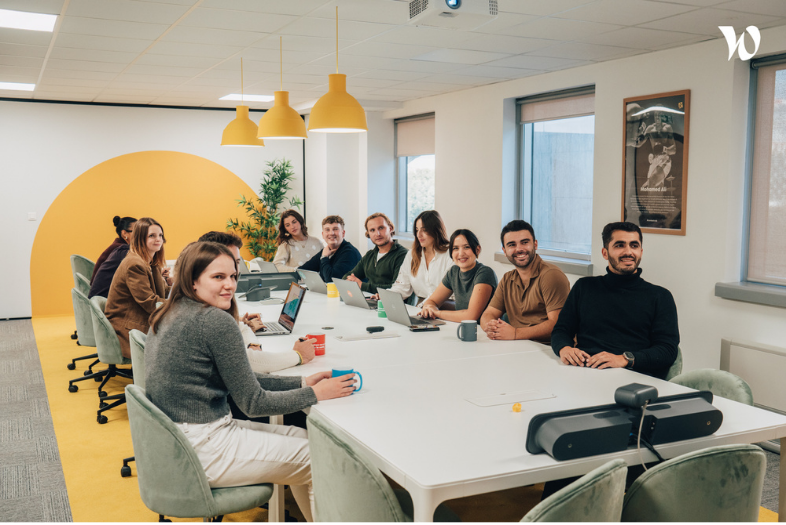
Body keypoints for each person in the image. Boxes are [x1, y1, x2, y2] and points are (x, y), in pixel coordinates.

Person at [144, 241, 356, 522]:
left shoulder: (171, 312)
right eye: (218, 277)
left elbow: (243, 379)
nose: (229, 285)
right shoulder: (214, 322)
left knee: (305, 440)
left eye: (233, 276)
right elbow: (253, 402)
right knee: (322, 460)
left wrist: (303, 382)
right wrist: (316, 394)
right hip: (203, 445)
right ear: (192, 281)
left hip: (178, 440)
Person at [551, 221, 679, 379]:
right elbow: (561, 330)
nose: (628, 252)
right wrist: (564, 348)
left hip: (633, 378)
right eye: (619, 245)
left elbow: (668, 350)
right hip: (583, 373)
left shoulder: (660, 296)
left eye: (634, 245)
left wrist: (624, 359)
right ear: (605, 253)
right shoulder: (584, 287)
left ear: (641, 251)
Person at [198, 231, 315, 374]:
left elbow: (240, 326)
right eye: (228, 262)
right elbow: (249, 364)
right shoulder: (201, 313)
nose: (234, 269)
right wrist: (298, 355)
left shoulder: (213, 301)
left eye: (237, 262)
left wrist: (252, 344)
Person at [480, 220, 570, 342]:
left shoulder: (551, 275)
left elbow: (557, 324)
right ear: (504, 251)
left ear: (535, 244)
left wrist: (516, 333)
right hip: (520, 346)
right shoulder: (507, 279)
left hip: (550, 349)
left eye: (525, 242)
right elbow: (488, 314)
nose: (519, 249)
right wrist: (491, 326)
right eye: (511, 245)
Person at [105, 217, 172, 358]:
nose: (158, 239)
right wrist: (182, 305)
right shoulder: (134, 264)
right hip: (126, 327)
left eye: (160, 235)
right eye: (152, 236)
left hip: (135, 318)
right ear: (140, 239)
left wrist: (176, 285)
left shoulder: (150, 262)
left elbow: (163, 292)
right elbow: (150, 302)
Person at [377, 210, 453, 305]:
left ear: (436, 230)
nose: (419, 234)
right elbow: (402, 286)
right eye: (417, 230)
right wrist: (385, 296)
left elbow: (448, 290)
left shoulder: (451, 254)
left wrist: (423, 306)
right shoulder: (412, 255)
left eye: (424, 230)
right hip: (422, 307)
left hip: (445, 307)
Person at [420, 229, 497, 322]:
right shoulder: (454, 272)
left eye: (466, 247)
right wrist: (429, 308)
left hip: (482, 332)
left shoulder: (485, 273)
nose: (461, 253)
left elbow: (471, 316)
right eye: (455, 248)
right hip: (461, 328)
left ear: (477, 250)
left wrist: (436, 313)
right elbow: (432, 301)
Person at [343, 212, 407, 294]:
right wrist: (350, 280)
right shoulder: (370, 255)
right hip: (371, 301)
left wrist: (362, 285)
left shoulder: (403, 255)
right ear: (368, 234)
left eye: (381, 228)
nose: (377, 234)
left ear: (390, 229)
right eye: (372, 230)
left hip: (393, 304)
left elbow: (397, 289)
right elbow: (349, 275)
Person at [298, 215, 361, 283]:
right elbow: (302, 271)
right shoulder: (327, 250)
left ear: (343, 233)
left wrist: (324, 257)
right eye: (327, 230)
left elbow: (332, 281)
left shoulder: (350, 252)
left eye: (335, 229)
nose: (331, 233)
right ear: (323, 234)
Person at [90, 216, 136, 282]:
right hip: (105, 291)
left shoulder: (117, 246)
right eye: (137, 231)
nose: (141, 235)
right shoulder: (122, 250)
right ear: (124, 233)